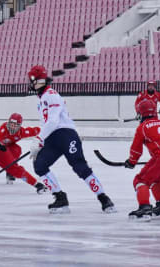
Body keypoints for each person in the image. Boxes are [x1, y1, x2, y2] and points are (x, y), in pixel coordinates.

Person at [27, 65, 116, 214]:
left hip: (66, 135)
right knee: (39, 165)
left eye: (32, 80)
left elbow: (54, 121)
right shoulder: (41, 99)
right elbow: (47, 123)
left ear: (39, 80)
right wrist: (42, 140)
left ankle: (103, 197)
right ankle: (60, 197)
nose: (31, 83)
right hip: (52, 138)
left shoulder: (51, 95)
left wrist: (39, 139)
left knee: (79, 166)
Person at [0, 113, 41, 184]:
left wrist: (47, 132)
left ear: (19, 126)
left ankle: (10, 171)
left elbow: (34, 131)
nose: (12, 126)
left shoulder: (21, 132)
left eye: (15, 125)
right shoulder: (3, 129)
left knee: (17, 149)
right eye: (11, 124)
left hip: (9, 146)